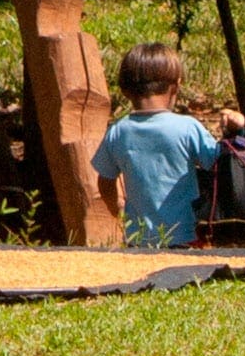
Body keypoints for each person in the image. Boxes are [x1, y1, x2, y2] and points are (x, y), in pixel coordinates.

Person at [91, 42, 224, 247]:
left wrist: (118, 209)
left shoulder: (118, 131)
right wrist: (235, 132)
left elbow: (105, 181)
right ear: (176, 86)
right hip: (186, 235)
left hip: (139, 238)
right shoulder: (187, 128)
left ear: (125, 90)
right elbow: (218, 162)